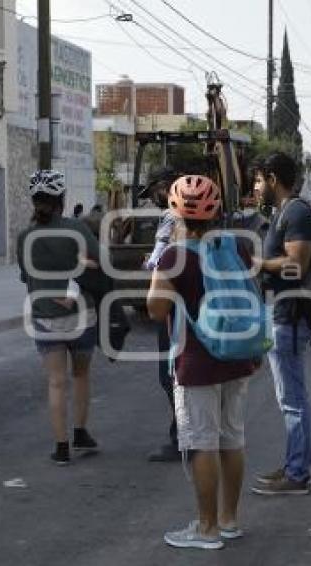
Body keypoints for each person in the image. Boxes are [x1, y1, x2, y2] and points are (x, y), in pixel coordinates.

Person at [147, 175, 257, 550]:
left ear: (175, 213)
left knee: (200, 443)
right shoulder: (237, 247)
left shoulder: (174, 256)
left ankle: (206, 528)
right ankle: (229, 520)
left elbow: (155, 308)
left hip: (196, 361)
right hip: (239, 356)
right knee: (232, 438)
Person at [17, 170, 101, 466]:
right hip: (82, 316)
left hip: (44, 318)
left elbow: (25, 276)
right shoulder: (77, 229)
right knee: (80, 376)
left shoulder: (26, 236)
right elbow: (99, 263)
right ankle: (80, 432)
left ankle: (61, 447)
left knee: (55, 383)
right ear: (62, 200)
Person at [251, 152, 311, 495]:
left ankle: (297, 474)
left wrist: (258, 263)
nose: (256, 187)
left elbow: (296, 265)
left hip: (290, 316)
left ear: (273, 179)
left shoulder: (297, 213)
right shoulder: (284, 213)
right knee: (292, 397)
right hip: (280, 313)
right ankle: (296, 465)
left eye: (260, 180)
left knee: (292, 399)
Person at [143, 167, 181, 463]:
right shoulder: (200, 218)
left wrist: (150, 263)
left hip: (171, 304)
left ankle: (181, 436)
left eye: (155, 191)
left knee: (169, 373)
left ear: (166, 186)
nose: (154, 198)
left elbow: (158, 259)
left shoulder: (171, 216)